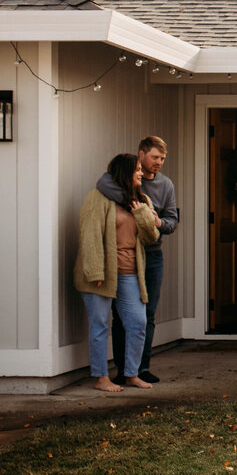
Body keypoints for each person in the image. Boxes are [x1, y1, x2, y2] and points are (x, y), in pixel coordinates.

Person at [74, 153, 160, 392]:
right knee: (100, 324)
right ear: (125, 172)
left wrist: (142, 214)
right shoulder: (98, 198)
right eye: (137, 170)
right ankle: (101, 378)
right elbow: (89, 235)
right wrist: (94, 271)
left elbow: (152, 237)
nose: (142, 173)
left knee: (138, 322)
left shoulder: (141, 199)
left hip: (131, 273)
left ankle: (131, 374)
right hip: (101, 273)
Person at [96, 136, 177, 384]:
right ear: (141, 154)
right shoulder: (117, 179)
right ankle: (123, 369)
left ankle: (141, 368)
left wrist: (158, 222)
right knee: (122, 315)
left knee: (147, 313)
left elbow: (172, 221)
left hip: (151, 255)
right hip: (125, 256)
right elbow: (103, 185)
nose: (159, 163)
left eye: (162, 159)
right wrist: (136, 203)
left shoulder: (166, 185)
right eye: (155, 157)